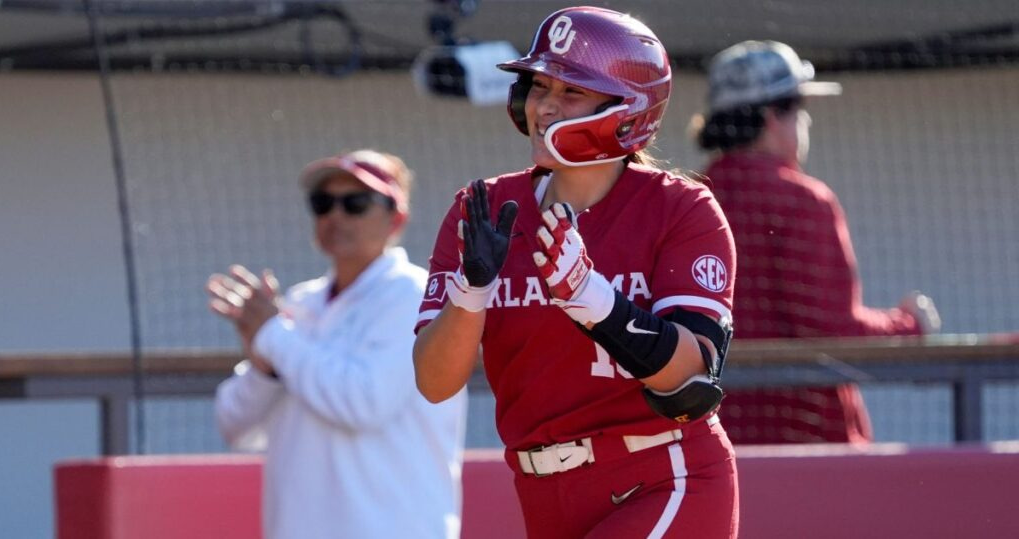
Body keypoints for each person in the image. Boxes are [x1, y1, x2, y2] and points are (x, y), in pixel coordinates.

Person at [414, 7, 738, 538]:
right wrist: (470, 293)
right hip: (542, 492)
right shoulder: (487, 209)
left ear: (628, 111)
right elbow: (433, 383)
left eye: (571, 91)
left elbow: (692, 376)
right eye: (539, 86)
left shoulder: (680, 209)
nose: (544, 106)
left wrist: (591, 298)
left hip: (663, 475)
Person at [208, 150, 467, 539]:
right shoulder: (299, 303)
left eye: (356, 203)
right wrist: (265, 368)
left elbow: (365, 402)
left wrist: (273, 336)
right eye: (322, 203)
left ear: (397, 218)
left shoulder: (416, 295)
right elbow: (235, 427)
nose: (335, 216)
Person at [692, 40, 941, 444]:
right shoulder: (802, 201)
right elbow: (835, 333)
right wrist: (909, 326)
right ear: (772, 117)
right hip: (807, 445)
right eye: (800, 109)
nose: (805, 122)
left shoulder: (686, 199)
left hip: (707, 444)